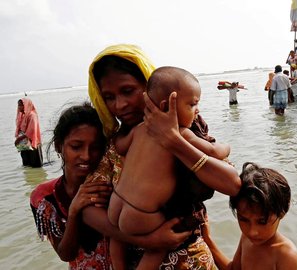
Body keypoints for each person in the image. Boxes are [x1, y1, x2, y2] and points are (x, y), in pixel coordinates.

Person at [83, 44, 241, 269]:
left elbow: (232, 184)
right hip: (140, 249)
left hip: (190, 260)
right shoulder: (115, 143)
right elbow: (87, 209)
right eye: (108, 97)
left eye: (128, 91)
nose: (120, 105)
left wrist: (174, 141)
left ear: (149, 87)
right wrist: (148, 240)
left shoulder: (188, 127)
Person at [30, 103, 112, 269]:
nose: (86, 156)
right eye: (76, 146)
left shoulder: (113, 186)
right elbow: (66, 254)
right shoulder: (44, 198)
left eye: (95, 147)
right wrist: (74, 211)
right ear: (59, 146)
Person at [203, 162, 297, 270]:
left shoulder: (286, 255)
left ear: (282, 212)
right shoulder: (246, 238)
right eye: (244, 219)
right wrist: (207, 239)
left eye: (262, 221)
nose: (252, 231)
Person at [14, 98, 43, 167]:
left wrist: (19, 139)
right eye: (18, 105)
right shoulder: (22, 116)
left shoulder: (32, 115)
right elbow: (21, 129)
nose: (19, 107)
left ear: (26, 105)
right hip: (24, 143)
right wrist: (19, 139)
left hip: (33, 142)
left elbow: (32, 130)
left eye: (21, 105)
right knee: (27, 165)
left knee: (36, 165)